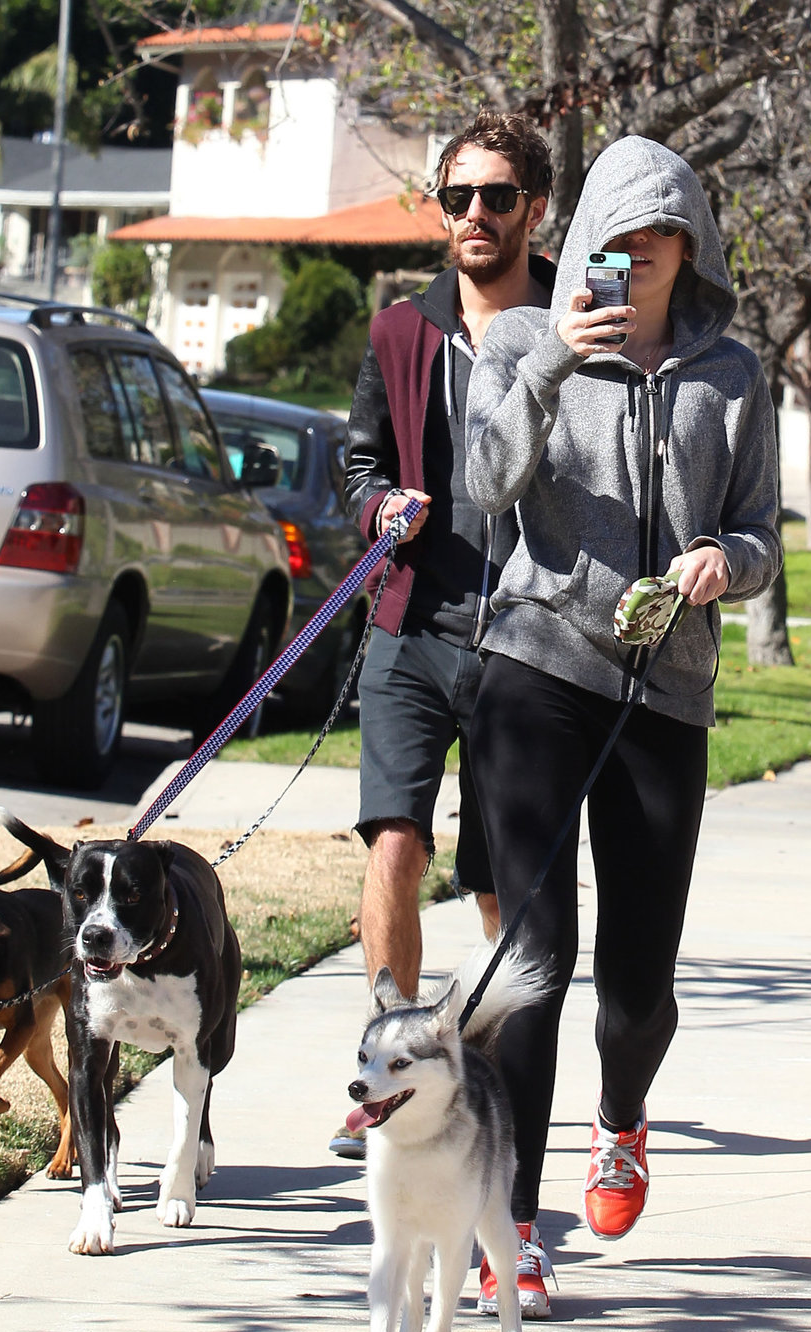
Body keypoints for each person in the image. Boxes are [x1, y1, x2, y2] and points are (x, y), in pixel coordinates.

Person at [463, 135, 783, 1317]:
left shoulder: (733, 375)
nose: (630, 262)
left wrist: (721, 561)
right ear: (585, 246)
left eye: (652, 243)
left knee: (635, 983)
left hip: (666, 689)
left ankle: (623, 1112)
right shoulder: (516, 342)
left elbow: (759, 534)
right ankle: (517, 1223)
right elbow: (483, 486)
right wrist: (549, 362)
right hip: (536, 669)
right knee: (534, 964)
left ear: (685, 247)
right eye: (611, 243)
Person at [330, 111, 556, 1161]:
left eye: (497, 196)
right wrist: (381, 510)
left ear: (533, 210)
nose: (475, 214)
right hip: (413, 623)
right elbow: (359, 462)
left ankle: (496, 1087)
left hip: (531, 639)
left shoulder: (575, 317)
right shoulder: (399, 330)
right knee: (395, 841)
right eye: (458, 196)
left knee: (505, 879)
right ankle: (387, 1070)